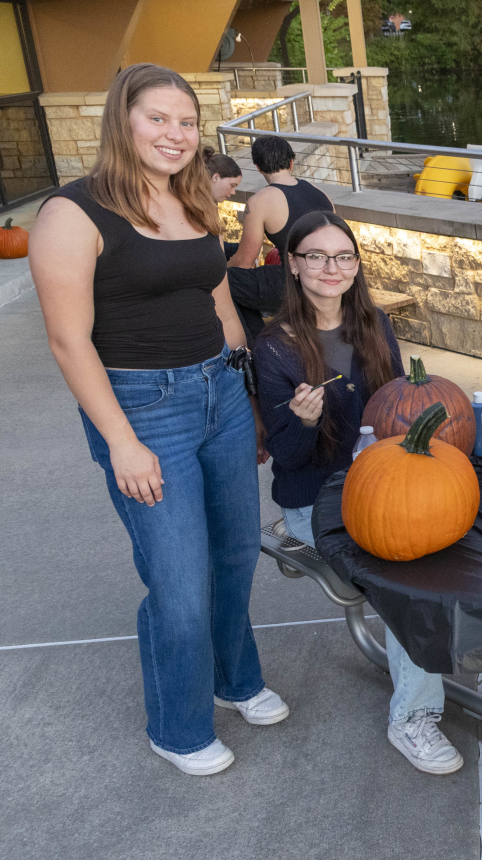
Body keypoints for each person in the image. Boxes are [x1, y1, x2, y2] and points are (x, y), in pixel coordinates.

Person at [28, 63, 287, 778]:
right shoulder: (71, 213)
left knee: (236, 554)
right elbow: (67, 340)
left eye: (187, 121)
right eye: (158, 118)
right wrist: (121, 442)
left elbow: (222, 305)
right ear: (123, 120)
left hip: (221, 396)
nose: (176, 134)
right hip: (142, 409)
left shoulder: (193, 198)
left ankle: (234, 680)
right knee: (178, 580)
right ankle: (178, 727)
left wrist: (251, 398)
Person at [253, 211, 466, 776]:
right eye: (317, 257)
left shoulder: (372, 322)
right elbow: (288, 461)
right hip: (315, 502)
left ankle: (432, 648)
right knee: (403, 572)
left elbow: (395, 408)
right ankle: (413, 717)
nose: (332, 267)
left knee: (461, 528)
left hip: (383, 482)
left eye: (344, 256)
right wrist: (301, 423)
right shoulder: (274, 348)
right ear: (293, 265)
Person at [227, 136, 334, 345]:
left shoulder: (260, 201)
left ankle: (257, 347)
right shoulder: (321, 193)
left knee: (224, 282)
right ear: (291, 162)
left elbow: (244, 262)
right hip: (331, 277)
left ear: (258, 167)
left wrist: (222, 269)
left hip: (294, 284)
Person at [203, 146, 243, 260]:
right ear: (216, 177)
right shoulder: (198, 204)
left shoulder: (208, 201)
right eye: (232, 185)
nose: (234, 192)